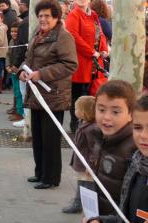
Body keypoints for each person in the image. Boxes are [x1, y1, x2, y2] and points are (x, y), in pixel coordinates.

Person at [20, 0, 78, 190]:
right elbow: (29, 58)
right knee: (38, 136)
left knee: (50, 138)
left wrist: (41, 74)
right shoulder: (38, 33)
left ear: (56, 17)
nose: (43, 19)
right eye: (40, 16)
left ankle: (51, 178)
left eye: (47, 16)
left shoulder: (63, 36)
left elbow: (70, 65)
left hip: (53, 95)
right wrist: (22, 70)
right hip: (36, 94)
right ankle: (40, 173)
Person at [85, 95, 148, 223]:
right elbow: (124, 215)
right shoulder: (137, 165)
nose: (143, 136)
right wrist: (101, 221)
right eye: (137, 127)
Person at [86, 80, 137, 216]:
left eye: (115, 112)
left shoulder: (135, 149)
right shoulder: (98, 136)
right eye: (101, 110)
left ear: (130, 114)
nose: (106, 117)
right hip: (99, 211)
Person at [66, 0, 108, 133]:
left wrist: (104, 49)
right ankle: (76, 125)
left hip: (95, 63)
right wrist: (91, 52)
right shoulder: (74, 15)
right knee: (78, 96)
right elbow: (73, 36)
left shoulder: (94, 15)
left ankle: (89, 125)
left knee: (93, 94)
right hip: (81, 63)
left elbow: (100, 33)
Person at [62, 96, 97, 214]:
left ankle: (86, 206)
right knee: (81, 182)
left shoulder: (91, 129)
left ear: (84, 112)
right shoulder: (84, 123)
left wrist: (91, 164)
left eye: (76, 109)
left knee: (88, 185)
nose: (74, 111)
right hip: (82, 161)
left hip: (87, 163)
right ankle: (79, 202)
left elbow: (95, 148)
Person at [11, 0, 30, 128]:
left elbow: (21, 46)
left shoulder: (25, 23)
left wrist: (16, 65)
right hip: (27, 63)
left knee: (24, 92)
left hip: (25, 64)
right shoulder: (25, 21)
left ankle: (26, 118)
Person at [6, 21, 23, 120]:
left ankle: (19, 112)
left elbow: (20, 57)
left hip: (18, 70)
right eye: (12, 31)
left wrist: (15, 67)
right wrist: (8, 65)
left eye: (16, 32)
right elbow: (8, 54)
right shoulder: (11, 41)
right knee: (15, 91)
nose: (13, 33)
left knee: (19, 92)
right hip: (12, 69)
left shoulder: (20, 43)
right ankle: (15, 107)